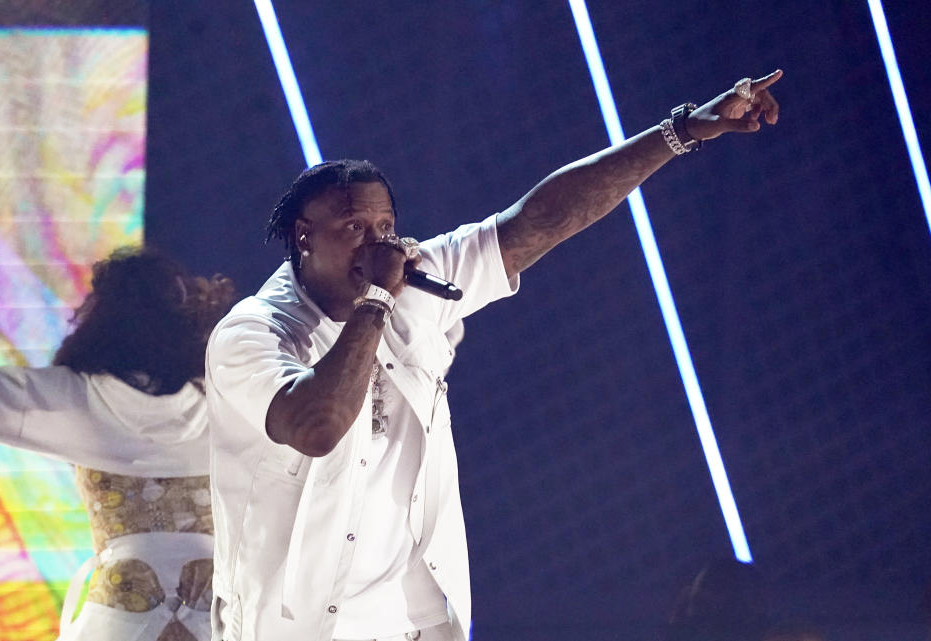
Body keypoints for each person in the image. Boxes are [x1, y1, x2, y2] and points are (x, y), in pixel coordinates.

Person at [205, 70, 783, 641]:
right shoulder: (252, 334)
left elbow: (541, 220)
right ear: (304, 235)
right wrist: (378, 297)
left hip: (409, 624)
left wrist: (681, 133)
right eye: (354, 226)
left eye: (386, 225)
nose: (378, 242)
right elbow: (317, 427)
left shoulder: (415, 284)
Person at [0, 247, 236, 641]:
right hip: (214, 611)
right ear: (186, 318)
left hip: (118, 611)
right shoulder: (231, 400)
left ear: (99, 321)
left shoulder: (73, 399)